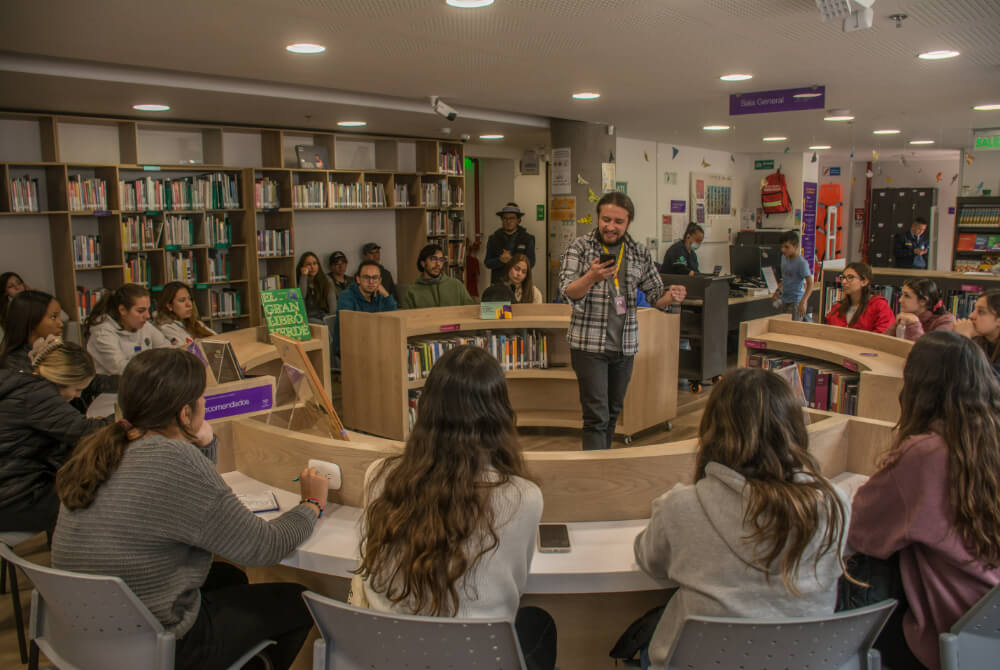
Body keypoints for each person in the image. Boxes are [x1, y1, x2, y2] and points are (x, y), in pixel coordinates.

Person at [53, 348, 330, 670]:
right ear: (185, 413)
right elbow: (263, 548)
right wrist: (311, 504)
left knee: (227, 576)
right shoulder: (172, 460)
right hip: (153, 644)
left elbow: (192, 503)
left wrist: (202, 445)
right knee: (298, 601)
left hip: (86, 631)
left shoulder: (104, 447)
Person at [631, 368, 850, 670]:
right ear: (795, 429)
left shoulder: (683, 507)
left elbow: (650, 562)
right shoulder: (834, 504)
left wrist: (666, 504)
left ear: (712, 432)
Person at [356, 345, 555, 670]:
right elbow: (517, 588)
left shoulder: (379, 477)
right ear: (499, 415)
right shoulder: (523, 497)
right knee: (539, 624)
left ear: (425, 408)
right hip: (475, 660)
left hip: (389, 657)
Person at [847, 332, 1000, 669]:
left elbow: (860, 530)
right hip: (987, 627)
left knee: (860, 567)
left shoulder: (926, 454)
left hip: (947, 631)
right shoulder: (987, 440)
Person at [558, 192, 686, 451]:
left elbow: (654, 295)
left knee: (613, 414)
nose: (611, 226)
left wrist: (671, 296)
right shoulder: (580, 247)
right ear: (598, 217)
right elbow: (567, 290)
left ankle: (603, 466)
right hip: (588, 345)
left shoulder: (639, 252)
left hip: (624, 347)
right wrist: (591, 277)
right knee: (596, 417)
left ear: (628, 222)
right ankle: (595, 479)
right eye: (606, 219)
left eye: (618, 221)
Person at [0, 335, 108, 535]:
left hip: (12, 489)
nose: (77, 396)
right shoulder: (37, 394)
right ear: (63, 379)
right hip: (14, 499)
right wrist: (124, 420)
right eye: (77, 389)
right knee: (94, 498)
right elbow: (85, 432)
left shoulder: (24, 385)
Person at [1, 290, 117, 414]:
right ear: (31, 321)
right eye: (53, 317)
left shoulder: (52, 349)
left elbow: (90, 380)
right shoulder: (16, 366)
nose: (60, 323)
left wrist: (129, 381)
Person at [84, 283, 171, 375]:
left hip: (141, 381)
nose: (147, 316)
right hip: (111, 386)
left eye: (148, 310)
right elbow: (122, 369)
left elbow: (168, 350)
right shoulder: (102, 333)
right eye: (140, 311)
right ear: (122, 310)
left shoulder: (143, 325)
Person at [335, 260, 398, 354]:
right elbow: (353, 327)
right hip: (351, 349)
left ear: (380, 280)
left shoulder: (380, 295)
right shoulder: (346, 296)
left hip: (375, 345)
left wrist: (386, 294)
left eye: (375, 277)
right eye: (366, 277)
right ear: (358, 279)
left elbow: (394, 317)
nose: (371, 281)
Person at [823, 262, 894, 332]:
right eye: (843, 277)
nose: (844, 281)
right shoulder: (837, 308)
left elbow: (884, 334)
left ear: (864, 282)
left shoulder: (879, 305)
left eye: (850, 277)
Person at [402, 244, 476, 309]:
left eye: (441, 260)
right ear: (423, 263)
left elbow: (470, 313)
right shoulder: (412, 292)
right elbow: (408, 320)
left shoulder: (457, 285)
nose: (438, 263)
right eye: (433, 259)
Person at [889, 278, 955, 341]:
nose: (900, 300)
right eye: (901, 295)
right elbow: (883, 344)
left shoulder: (946, 320)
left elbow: (928, 350)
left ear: (923, 301)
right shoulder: (907, 315)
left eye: (907, 296)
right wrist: (895, 325)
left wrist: (914, 324)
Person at [953, 290, 1000, 380]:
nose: (971, 316)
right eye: (974, 310)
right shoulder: (978, 340)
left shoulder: (969, 339)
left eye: (981, 312)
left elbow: (991, 383)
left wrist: (964, 338)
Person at [485, 203, 536, 284]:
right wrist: (500, 260)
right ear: (501, 219)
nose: (508, 221)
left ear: (518, 220)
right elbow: (487, 263)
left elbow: (531, 263)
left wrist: (513, 261)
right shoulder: (493, 239)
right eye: (505, 218)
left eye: (512, 218)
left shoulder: (528, 239)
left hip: (521, 283)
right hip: (498, 283)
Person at [154, 281, 215, 347]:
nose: (189, 304)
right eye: (182, 300)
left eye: (189, 299)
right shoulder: (166, 328)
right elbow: (184, 353)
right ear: (169, 306)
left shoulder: (195, 323)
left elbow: (218, 339)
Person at [773, 230, 814, 321]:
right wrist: (777, 291)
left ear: (796, 246)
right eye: (782, 246)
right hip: (785, 299)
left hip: (796, 301)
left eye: (787, 247)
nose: (783, 249)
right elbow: (785, 278)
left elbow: (810, 284)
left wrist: (803, 301)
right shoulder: (783, 258)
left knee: (793, 329)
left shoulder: (801, 263)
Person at [296, 251, 336, 322]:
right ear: (302, 267)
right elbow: (301, 297)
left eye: (315, 263)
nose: (312, 267)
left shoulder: (326, 280)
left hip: (323, 315)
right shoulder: (299, 280)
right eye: (308, 264)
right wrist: (304, 276)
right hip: (307, 317)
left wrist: (332, 320)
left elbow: (332, 304)